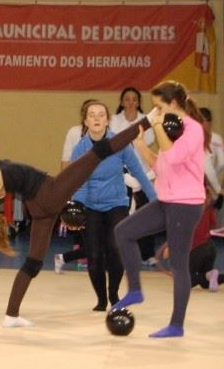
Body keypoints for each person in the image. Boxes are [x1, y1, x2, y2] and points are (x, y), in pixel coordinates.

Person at [0, 118, 150, 328]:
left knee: (33, 263)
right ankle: (148, 121)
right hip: (49, 193)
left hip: (40, 206)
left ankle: (11, 315)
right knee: (99, 152)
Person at [111, 80, 208, 339]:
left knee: (178, 264)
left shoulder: (193, 129)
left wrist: (155, 125)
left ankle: (176, 325)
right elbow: (161, 164)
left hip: (185, 204)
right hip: (167, 201)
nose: (155, 112)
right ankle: (135, 290)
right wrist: (141, 145)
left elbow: (173, 156)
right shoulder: (170, 128)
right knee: (123, 232)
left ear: (173, 104)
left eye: (158, 107)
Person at [70, 101, 157, 311]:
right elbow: (78, 182)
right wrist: (77, 209)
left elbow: (138, 173)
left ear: (107, 120)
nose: (97, 118)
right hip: (90, 206)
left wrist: (156, 200)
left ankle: (114, 294)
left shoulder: (119, 143)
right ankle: (101, 300)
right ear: (85, 121)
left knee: (115, 249)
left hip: (117, 204)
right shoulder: (80, 149)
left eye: (101, 114)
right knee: (93, 255)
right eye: (92, 115)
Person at [109, 87, 158, 267]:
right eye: (127, 99)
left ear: (138, 102)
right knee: (120, 215)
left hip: (143, 174)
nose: (130, 103)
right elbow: (113, 142)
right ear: (122, 102)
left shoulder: (146, 121)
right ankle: (118, 253)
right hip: (120, 174)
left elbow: (148, 141)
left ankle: (147, 254)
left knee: (146, 214)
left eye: (134, 99)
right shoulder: (114, 120)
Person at [54, 100, 95, 273]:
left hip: (99, 186)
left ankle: (69, 257)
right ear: (84, 116)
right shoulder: (74, 132)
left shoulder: (106, 134)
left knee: (96, 227)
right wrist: (64, 186)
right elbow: (66, 159)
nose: (94, 117)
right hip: (79, 183)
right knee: (82, 222)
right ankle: (76, 255)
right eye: (90, 113)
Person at [199, 107, 224, 210]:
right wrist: (217, 188)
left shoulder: (193, 138)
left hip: (197, 181)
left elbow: (220, 163)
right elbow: (222, 163)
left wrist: (211, 179)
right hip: (200, 181)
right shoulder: (216, 138)